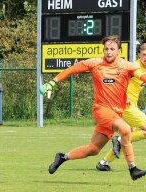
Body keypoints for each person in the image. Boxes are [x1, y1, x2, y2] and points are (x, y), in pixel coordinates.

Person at [40, 35, 146, 180]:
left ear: (119, 51)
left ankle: (62, 157)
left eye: (112, 49)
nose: (108, 52)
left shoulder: (127, 66)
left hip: (116, 114)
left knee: (93, 150)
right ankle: (132, 168)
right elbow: (72, 69)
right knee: (126, 129)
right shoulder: (95, 63)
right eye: (106, 49)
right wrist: (53, 82)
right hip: (101, 110)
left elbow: (142, 75)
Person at [96, 43, 146, 171]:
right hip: (125, 105)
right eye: (144, 55)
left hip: (131, 106)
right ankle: (118, 140)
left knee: (129, 136)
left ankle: (104, 162)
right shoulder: (133, 67)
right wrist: (123, 95)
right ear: (139, 54)